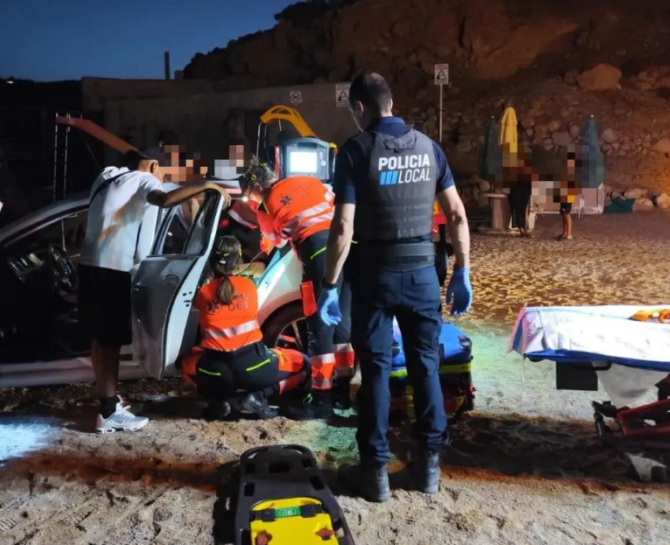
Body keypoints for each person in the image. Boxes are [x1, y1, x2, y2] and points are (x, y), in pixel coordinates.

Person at [317, 72, 473, 502]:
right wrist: (462, 271)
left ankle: (376, 473)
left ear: (361, 108)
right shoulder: (429, 148)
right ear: (392, 101)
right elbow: (457, 215)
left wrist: (330, 284)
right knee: (426, 367)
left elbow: (344, 224)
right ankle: (427, 470)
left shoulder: (355, 150)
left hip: (375, 275)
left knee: (377, 372)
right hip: (424, 272)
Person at [80, 150, 231, 433]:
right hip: (111, 270)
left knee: (100, 341)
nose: (161, 179)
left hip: (89, 266)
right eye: (163, 173)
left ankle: (108, 402)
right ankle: (110, 413)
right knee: (110, 342)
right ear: (152, 165)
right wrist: (209, 186)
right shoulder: (143, 178)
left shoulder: (107, 177)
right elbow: (163, 200)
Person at [239, 161, 354, 420]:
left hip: (319, 252)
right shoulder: (310, 181)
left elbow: (275, 241)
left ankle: (321, 398)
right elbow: (337, 205)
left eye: (250, 195)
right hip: (349, 247)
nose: (251, 200)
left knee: (319, 327)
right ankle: (342, 392)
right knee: (343, 324)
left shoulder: (266, 205)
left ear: (257, 186)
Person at [183, 236, 309, 420]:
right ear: (238, 260)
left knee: (187, 363)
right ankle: (259, 396)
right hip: (254, 366)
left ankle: (217, 401)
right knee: (303, 362)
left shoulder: (202, 293)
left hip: (216, 371)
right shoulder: (249, 286)